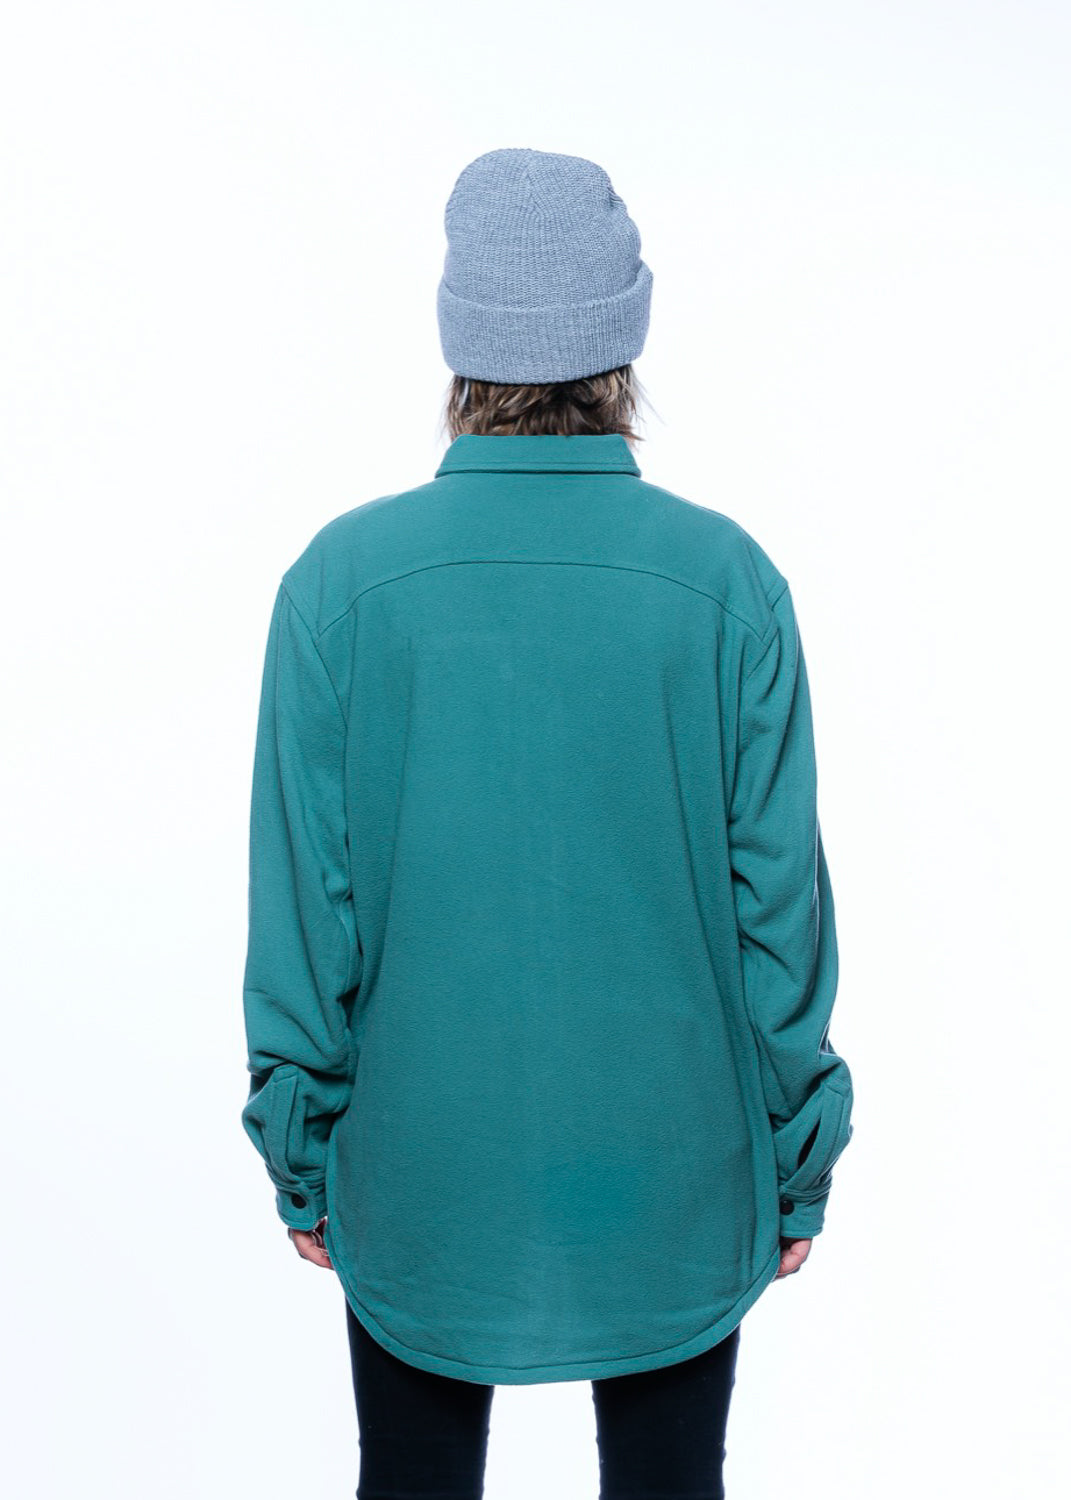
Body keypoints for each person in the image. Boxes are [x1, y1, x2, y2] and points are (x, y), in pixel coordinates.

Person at [240, 146, 854, 1500]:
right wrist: (797, 1156)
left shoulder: (341, 583)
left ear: (458, 337)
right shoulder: (727, 582)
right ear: (624, 338)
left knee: (409, 1480)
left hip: (423, 1168)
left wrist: (301, 1148)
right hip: (675, 1168)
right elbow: (777, 909)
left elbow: (308, 905)